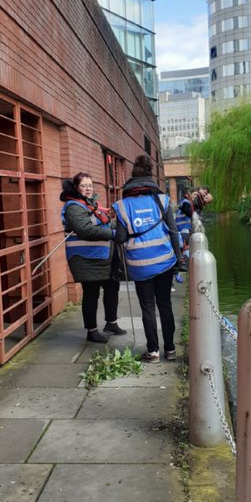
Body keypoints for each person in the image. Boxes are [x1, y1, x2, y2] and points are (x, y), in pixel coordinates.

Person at [114, 155, 183, 363]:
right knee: (165, 305)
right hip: (164, 261)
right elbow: (173, 231)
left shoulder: (122, 206)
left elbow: (120, 238)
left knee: (148, 307)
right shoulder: (162, 200)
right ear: (151, 177)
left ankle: (152, 351)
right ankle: (170, 349)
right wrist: (178, 260)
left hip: (139, 266)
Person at [60, 173, 127, 344]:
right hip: (86, 258)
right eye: (84, 185)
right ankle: (92, 331)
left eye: (90, 185)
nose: (88, 188)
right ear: (76, 188)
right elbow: (85, 230)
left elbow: (103, 223)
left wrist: (121, 226)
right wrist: (113, 233)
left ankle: (111, 323)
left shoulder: (92, 204)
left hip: (104, 257)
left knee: (112, 288)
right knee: (91, 294)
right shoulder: (73, 207)